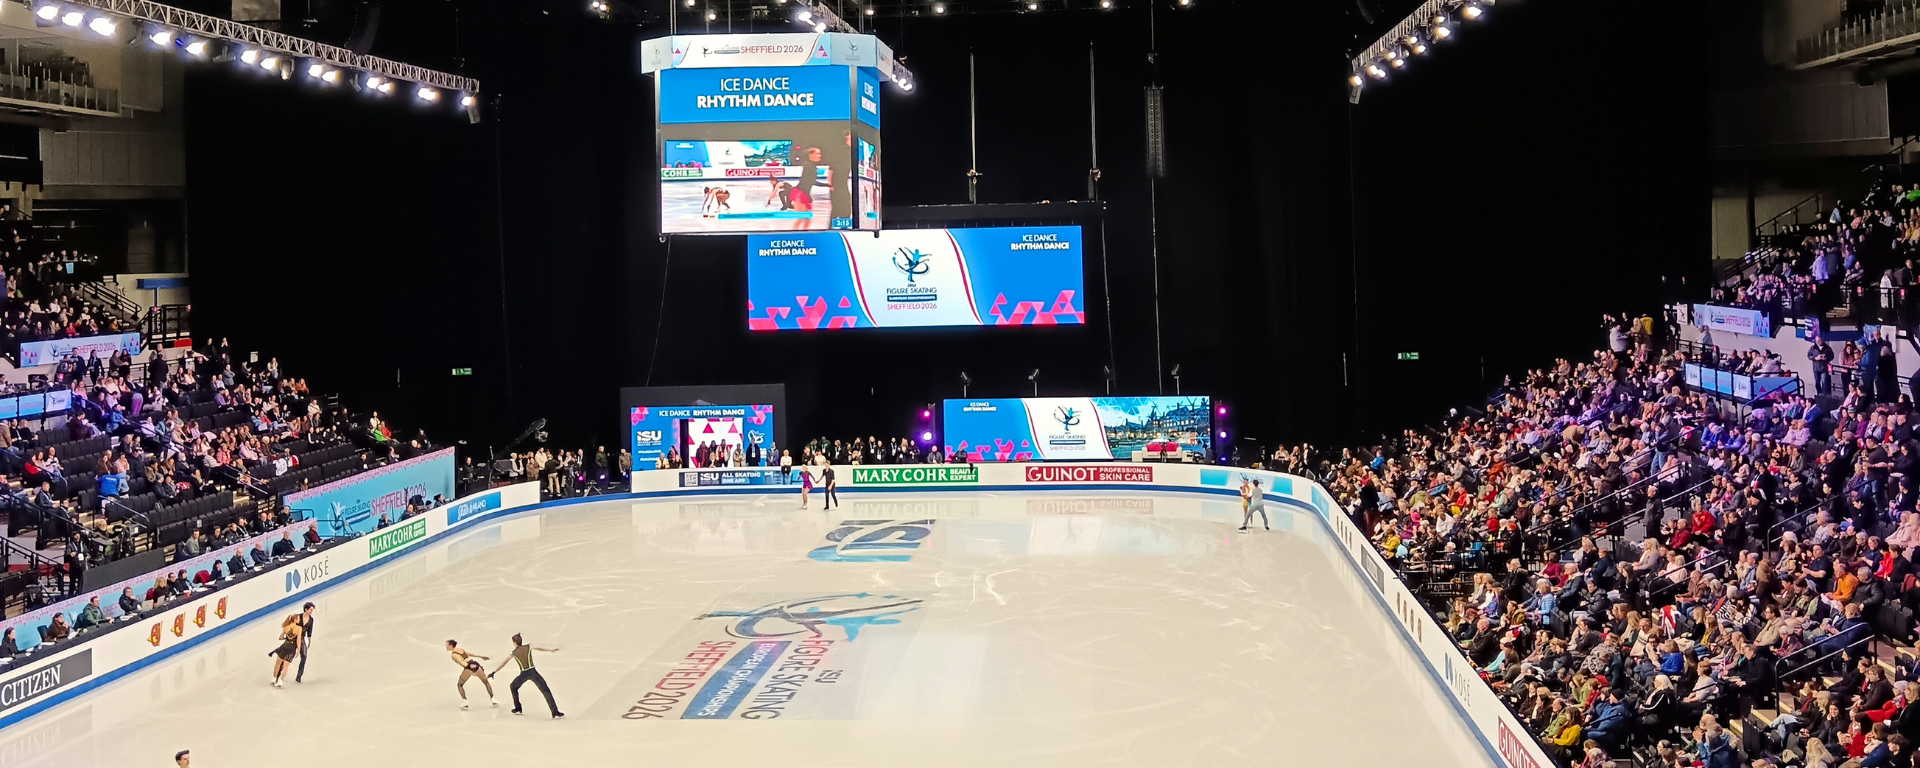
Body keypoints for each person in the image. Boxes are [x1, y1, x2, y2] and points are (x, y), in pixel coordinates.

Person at [490, 633, 564, 719]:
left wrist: (494, 672)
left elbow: (504, 663)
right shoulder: (529, 646)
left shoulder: (513, 653)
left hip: (524, 674)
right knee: (545, 690)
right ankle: (555, 712)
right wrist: (551, 650)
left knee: (513, 687)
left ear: (514, 643)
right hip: (533, 672)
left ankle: (518, 708)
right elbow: (540, 648)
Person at [447, 639, 498, 709]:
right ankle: (493, 699)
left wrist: (470, 668)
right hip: (476, 665)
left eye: (447, 645)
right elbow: (470, 654)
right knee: (486, 682)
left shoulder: (454, 655)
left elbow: (462, 663)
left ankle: (465, 702)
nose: (446, 646)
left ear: (450, 645)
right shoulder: (460, 649)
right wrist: (481, 657)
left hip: (469, 667)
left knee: (459, 685)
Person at [268, 612, 301, 687]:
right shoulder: (299, 628)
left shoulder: (286, 627)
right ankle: (280, 680)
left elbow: (280, 637)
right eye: (298, 618)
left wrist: (286, 637)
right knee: (286, 665)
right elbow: (298, 640)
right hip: (292, 648)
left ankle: (274, 678)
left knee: (278, 663)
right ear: (295, 620)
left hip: (285, 645)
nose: (299, 620)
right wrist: (298, 650)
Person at [294, 602, 316, 683]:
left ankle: (299, 676)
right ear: (306, 609)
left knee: (304, 656)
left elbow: (309, 631)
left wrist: (309, 640)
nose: (311, 611)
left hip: (302, 639)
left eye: (312, 610)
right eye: (310, 609)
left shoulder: (311, 620)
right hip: (293, 638)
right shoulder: (297, 617)